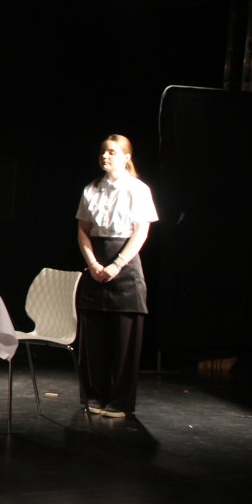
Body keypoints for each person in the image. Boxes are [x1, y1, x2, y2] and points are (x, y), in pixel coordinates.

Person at [75, 133, 158, 419]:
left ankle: (120, 401)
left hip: (125, 265)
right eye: (102, 151)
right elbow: (83, 231)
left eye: (111, 151)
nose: (105, 156)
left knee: (125, 341)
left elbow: (141, 232)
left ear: (126, 157)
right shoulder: (91, 189)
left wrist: (117, 264)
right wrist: (93, 264)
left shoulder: (138, 189)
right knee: (94, 340)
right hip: (96, 264)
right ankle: (94, 395)